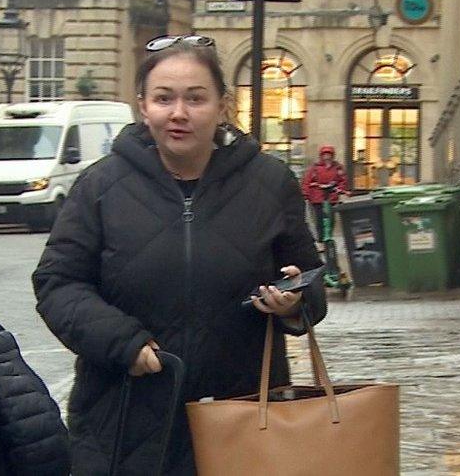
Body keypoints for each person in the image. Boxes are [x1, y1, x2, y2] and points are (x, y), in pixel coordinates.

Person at [32, 35, 327, 475]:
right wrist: (122, 342)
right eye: (164, 98)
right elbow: (58, 282)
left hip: (242, 413)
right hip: (123, 417)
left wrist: (294, 302)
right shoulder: (100, 186)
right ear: (143, 106)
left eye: (196, 98)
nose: (179, 113)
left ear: (223, 106)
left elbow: (311, 278)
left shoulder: (269, 182)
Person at [301, 145, 349, 236]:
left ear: (332, 155)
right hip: (317, 197)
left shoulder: (338, 167)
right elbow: (307, 181)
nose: (327, 157)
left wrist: (340, 189)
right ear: (321, 156)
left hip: (331, 196)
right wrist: (305, 194)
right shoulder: (315, 168)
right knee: (319, 219)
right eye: (325, 154)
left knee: (330, 218)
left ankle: (329, 236)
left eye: (329, 154)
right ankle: (321, 238)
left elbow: (343, 180)